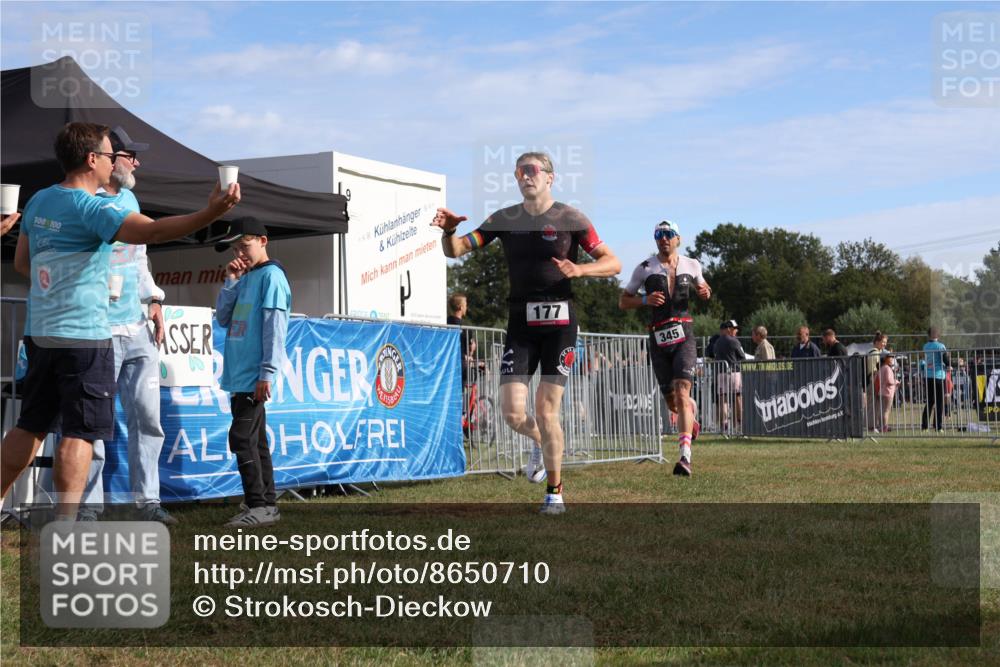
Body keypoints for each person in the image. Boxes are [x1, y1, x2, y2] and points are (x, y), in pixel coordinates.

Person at [1, 122, 239, 520]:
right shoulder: (92, 208)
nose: (115, 162)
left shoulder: (40, 200)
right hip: (86, 337)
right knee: (78, 434)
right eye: (111, 155)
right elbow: (156, 233)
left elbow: (24, 263)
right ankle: (66, 525)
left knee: (31, 426)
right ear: (92, 160)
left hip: (41, 333)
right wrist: (211, 212)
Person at [433, 152, 621, 514]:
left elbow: (613, 262)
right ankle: (538, 444)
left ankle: (554, 492)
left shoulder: (571, 218)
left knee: (546, 409)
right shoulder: (505, 218)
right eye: (519, 171)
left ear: (550, 177)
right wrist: (449, 230)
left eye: (532, 170)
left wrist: (580, 271)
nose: (524, 176)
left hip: (560, 325)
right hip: (520, 324)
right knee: (512, 413)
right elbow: (455, 251)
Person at [75, 127, 175, 524]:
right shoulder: (82, 200)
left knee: (148, 418)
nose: (136, 162)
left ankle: (148, 501)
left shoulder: (131, 197)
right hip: (98, 328)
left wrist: (154, 300)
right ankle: (88, 507)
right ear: (104, 158)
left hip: (137, 328)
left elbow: (139, 257)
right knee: (93, 422)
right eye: (129, 155)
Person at [214, 217, 291, 528]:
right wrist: (231, 280)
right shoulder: (246, 276)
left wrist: (266, 373)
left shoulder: (272, 277)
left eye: (244, 245)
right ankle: (266, 505)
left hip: (253, 376)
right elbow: (222, 318)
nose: (240, 252)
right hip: (239, 374)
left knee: (241, 438)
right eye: (235, 247)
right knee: (255, 441)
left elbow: (276, 329)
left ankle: (258, 504)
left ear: (263, 241)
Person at [619, 220, 711, 476]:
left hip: (684, 335)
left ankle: (684, 458)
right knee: (673, 402)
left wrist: (704, 292)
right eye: (659, 235)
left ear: (678, 239)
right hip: (658, 338)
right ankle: (689, 414)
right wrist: (645, 300)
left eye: (669, 234)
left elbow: (703, 288)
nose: (664, 239)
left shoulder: (692, 264)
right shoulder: (645, 268)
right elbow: (623, 302)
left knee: (682, 392)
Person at [713, 320, 746, 433]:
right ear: (728, 329)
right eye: (734, 328)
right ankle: (739, 425)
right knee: (738, 398)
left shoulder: (717, 342)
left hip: (721, 372)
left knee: (723, 399)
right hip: (734, 372)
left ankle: (725, 426)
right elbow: (742, 357)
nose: (736, 331)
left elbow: (714, 355)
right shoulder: (734, 341)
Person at [921, 327, 950, 431]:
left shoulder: (925, 346)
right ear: (938, 335)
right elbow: (945, 359)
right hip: (938, 376)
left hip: (928, 376)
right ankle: (938, 427)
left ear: (929, 335)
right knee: (939, 402)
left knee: (929, 402)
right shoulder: (941, 346)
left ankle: (924, 427)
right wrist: (949, 365)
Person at [876, 351, 899, 433]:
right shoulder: (888, 368)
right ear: (885, 358)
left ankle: (881, 426)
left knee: (882, 410)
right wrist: (896, 382)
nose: (892, 359)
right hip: (888, 392)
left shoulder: (881, 368)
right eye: (890, 357)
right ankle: (884, 427)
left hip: (881, 392)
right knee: (886, 410)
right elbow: (889, 381)